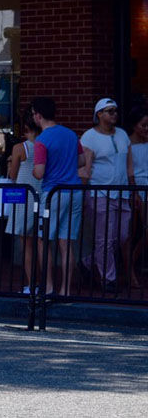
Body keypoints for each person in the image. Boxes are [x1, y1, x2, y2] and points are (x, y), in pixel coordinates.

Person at [30, 97, 85, 296]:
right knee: (66, 242)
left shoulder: (42, 140)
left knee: (44, 240)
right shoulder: (71, 134)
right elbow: (81, 161)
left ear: (38, 115)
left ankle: (49, 286)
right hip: (75, 191)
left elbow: (39, 171)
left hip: (53, 193)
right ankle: (66, 290)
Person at [80, 98, 132, 294]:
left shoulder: (122, 135)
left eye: (116, 111)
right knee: (104, 238)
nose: (114, 114)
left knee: (122, 235)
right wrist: (83, 194)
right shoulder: (89, 137)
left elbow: (129, 164)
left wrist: (132, 187)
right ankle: (107, 278)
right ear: (99, 114)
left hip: (122, 192)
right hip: (100, 193)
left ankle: (87, 262)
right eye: (109, 111)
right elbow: (85, 168)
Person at [5, 106, 41, 294]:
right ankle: (45, 283)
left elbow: (12, 175)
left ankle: (32, 283)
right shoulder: (45, 145)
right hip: (42, 193)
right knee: (42, 242)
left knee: (26, 242)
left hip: (24, 195)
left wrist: (10, 161)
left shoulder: (20, 147)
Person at [124, 107, 148, 290]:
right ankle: (129, 269)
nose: (146, 128)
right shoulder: (128, 144)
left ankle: (131, 262)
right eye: (143, 125)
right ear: (135, 125)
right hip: (137, 187)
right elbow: (129, 169)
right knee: (131, 231)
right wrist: (134, 191)